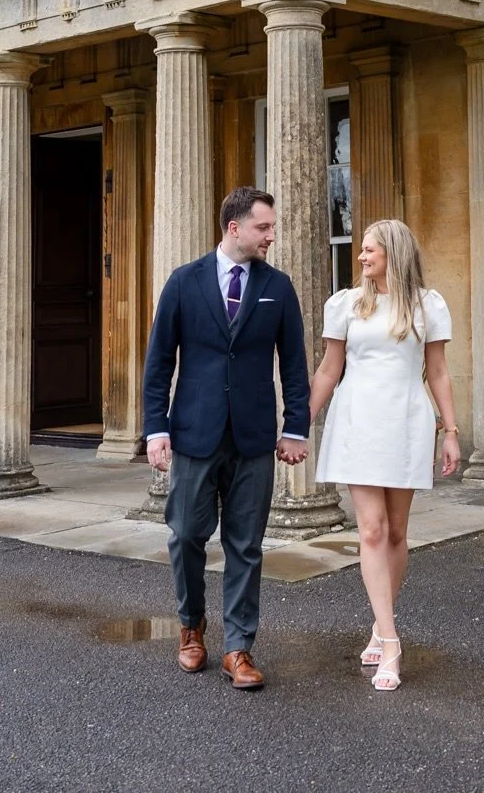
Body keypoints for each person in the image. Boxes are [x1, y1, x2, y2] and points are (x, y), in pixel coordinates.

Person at [143, 187, 310, 691]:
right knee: (187, 536)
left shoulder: (277, 287)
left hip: (255, 436)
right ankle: (191, 627)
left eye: (272, 227)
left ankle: (239, 647)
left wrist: (295, 426)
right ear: (234, 228)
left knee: (246, 545)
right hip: (194, 433)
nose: (271, 236)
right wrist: (156, 428)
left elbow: (296, 365)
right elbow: (159, 364)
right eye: (264, 227)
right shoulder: (183, 282)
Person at [310, 218, 461, 692]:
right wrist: (297, 425)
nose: (361, 257)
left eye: (370, 250)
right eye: (361, 251)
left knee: (397, 531)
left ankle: (380, 623)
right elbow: (329, 369)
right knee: (371, 529)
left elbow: (437, 372)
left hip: (407, 422)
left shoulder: (427, 305)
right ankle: (391, 642)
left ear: (393, 252)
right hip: (358, 421)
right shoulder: (347, 304)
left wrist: (451, 431)